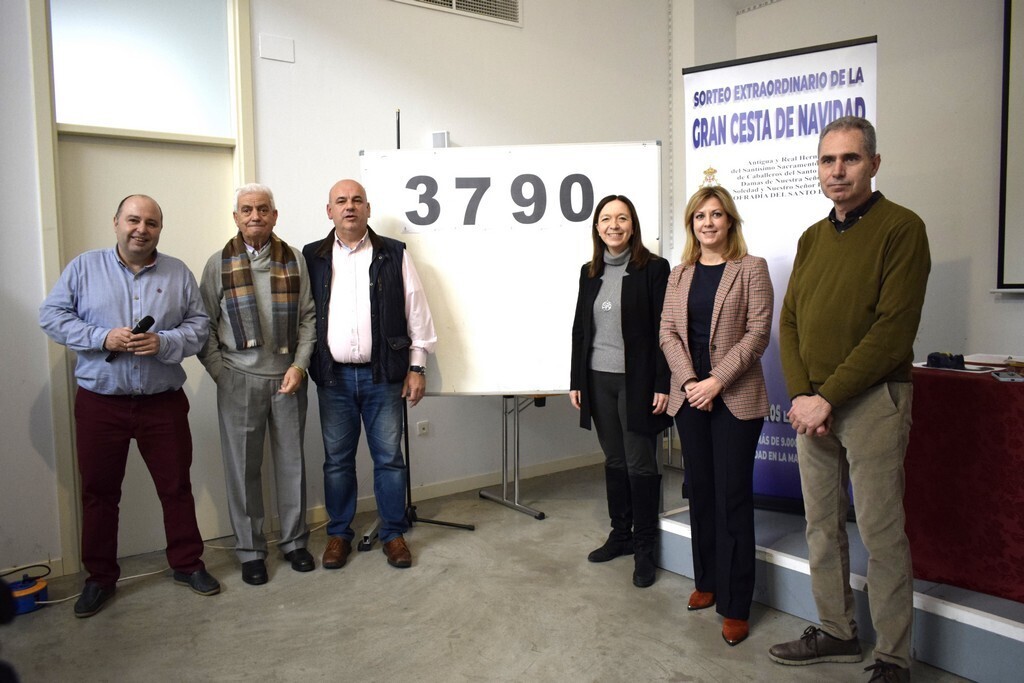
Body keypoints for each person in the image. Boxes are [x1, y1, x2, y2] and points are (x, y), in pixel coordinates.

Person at [768, 116, 930, 683]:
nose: (837, 170)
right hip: (814, 406)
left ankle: (893, 659)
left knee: (881, 534)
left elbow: (893, 331)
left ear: (874, 164)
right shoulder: (812, 237)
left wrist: (827, 396)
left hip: (874, 401)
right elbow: (790, 320)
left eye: (851, 158)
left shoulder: (902, 228)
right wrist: (802, 394)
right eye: (827, 160)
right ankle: (837, 631)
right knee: (821, 526)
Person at [39, 194, 220, 618]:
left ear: (160, 229)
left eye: (151, 223)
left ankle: (187, 564)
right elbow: (51, 316)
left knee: (176, 488)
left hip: (163, 403)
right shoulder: (84, 268)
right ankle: (99, 578)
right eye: (133, 220)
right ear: (116, 222)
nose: (142, 229)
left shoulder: (177, 272)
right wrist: (102, 337)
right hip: (101, 404)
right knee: (99, 494)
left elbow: (199, 326)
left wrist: (165, 342)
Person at [659, 186, 773, 646]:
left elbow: (758, 333)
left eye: (716, 215)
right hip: (689, 397)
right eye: (700, 216)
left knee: (732, 498)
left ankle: (735, 603)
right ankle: (706, 580)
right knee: (700, 492)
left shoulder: (751, 268)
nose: (708, 223)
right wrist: (691, 382)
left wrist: (715, 381)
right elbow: (668, 333)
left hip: (734, 398)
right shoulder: (679, 274)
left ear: (730, 221)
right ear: (692, 224)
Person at [303, 179, 437, 570]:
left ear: (368, 208)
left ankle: (393, 533)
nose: (350, 206)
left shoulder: (393, 253)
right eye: (341, 201)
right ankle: (338, 534)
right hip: (333, 379)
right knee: (337, 462)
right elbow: (304, 316)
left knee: (389, 460)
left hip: (384, 378)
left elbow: (417, 312)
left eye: (357, 200)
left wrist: (417, 367)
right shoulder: (312, 256)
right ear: (329, 211)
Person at [198, 183, 316, 585]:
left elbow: (308, 319)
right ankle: (250, 551)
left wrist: (299, 366)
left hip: (288, 378)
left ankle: (294, 542)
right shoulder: (218, 264)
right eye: (246, 209)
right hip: (238, 379)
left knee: (292, 464)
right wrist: (222, 373)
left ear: (274, 215)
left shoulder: (295, 260)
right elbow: (204, 325)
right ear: (236, 217)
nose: (255, 216)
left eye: (263, 209)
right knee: (243, 469)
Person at [570, 194, 671, 589]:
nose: (614, 225)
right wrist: (577, 380)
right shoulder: (589, 272)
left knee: (640, 462)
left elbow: (666, 330)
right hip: (598, 379)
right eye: (606, 219)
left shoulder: (654, 269)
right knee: (613, 459)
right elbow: (580, 329)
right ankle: (621, 534)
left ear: (633, 225)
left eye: (622, 218)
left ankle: (645, 547)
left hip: (637, 382)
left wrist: (663, 382)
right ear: (597, 228)